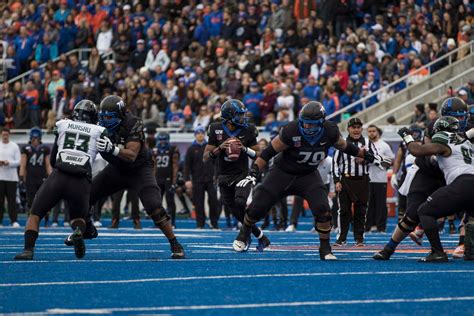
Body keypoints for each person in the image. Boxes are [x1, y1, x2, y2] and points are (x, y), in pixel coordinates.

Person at [232, 102, 391, 259]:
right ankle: (244, 233)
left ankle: (325, 248)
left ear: (321, 123)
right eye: (305, 123)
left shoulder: (330, 131)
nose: (307, 127)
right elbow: (267, 153)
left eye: (311, 124)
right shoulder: (291, 130)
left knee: (323, 209)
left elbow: (347, 147)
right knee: (257, 207)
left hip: (308, 174)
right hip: (282, 173)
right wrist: (254, 172)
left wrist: (371, 158)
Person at [65, 95, 185, 259]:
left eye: (109, 117)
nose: (105, 121)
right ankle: (88, 229)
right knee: (85, 195)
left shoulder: (133, 123)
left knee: (154, 206)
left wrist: (112, 149)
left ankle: (174, 243)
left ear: (120, 115)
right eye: (103, 117)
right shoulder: (98, 126)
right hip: (116, 169)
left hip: (139, 169)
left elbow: (131, 155)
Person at [373, 97, 469, 261]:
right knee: (413, 214)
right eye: (456, 116)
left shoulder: (467, 131)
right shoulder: (436, 128)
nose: (459, 121)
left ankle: (461, 245)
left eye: (462, 117)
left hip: (454, 176)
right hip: (429, 173)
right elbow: (426, 154)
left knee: (466, 209)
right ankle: (389, 248)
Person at [14, 100, 105, 260]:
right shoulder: (99, 130)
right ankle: (77, 232)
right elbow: (106, 155)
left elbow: (55, 156)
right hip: (81, 179)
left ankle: (28, 250)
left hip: (59, 175)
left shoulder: (63, 124)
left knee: (35, 214)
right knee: (78, 218)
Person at [396, 116, 474, 262]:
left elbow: (417, 151)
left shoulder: (445, 137)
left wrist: (407, 137)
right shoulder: (467, 142)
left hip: (462, 182)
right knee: (471, 217)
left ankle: (437, 252)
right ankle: (470, 251)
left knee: (424, 211)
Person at [203, 99, 270, 251]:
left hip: (242, 174)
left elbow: (259, 154)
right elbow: (206, 157)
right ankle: (261, 237)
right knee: (237, 213)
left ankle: (243, 237)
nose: (243, 118)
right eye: (239, 115)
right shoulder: (215, 128)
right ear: (229, 116)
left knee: (240, 202)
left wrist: (245, 149)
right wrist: (220, 148)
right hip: (223, 175)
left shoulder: (248, 129)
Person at [332, 118, 377, 247]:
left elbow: (376, 159)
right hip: (346, 180)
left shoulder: (368, 142)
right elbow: (336, 163)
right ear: (348, 129)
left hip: (363, 180)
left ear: (361, 129)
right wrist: (337, 181)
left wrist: (364, 159)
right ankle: (341, 238)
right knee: (344, 210)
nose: (356, 130)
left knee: (361, 211)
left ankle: (359, 238)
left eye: (358, 127)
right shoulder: (342, 143)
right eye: (353, 127)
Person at [184, 126, 219, 229]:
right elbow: (187, 166)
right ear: (195, 135)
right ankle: (200, 224)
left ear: (204, 134)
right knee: (199, 203)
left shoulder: (210, 147)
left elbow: (216, 163)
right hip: (197, 180)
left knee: (213, 202)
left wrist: (216, 175)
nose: (200, 135)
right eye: (198, 133)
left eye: (202, 133)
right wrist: (187, 180)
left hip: (210, 179)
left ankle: (214, 223)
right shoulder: (191, 149)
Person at [19, 127, 53, 224]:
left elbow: (48, 164)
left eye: (37, 139)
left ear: (40, 138)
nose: (35, 140)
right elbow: (23, 164)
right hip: (30, 178)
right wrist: (21, 177)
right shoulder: (26, 149)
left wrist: (51, 176)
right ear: (31, 138)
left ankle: (46, 219)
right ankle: (31, 219)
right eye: (34, 139)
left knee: (44, 199)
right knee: (31, 201)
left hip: (42, 177)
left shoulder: (45, 148)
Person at [366, 125, 394, 233]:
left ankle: (381, 227)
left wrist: (377, 161)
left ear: (377, 132)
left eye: (373, 131)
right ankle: (368, 226)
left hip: (380, 178)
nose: (371, 133)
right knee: (369, 204)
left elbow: (391, 160)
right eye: (369, 131)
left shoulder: (384, 145)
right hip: (367, 178)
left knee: (380, 204)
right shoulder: (365, 145)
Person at [152, 132, 179, 228]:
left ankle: (172, 222)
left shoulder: (172, 149)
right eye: (161, 140)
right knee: (157, 202)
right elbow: (154, 166)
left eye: (164, 140)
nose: (162, 142)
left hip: (169, 179)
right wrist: (152, 180)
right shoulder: (154, 150)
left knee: (170, 201)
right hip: (158, 179)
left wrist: (174, 181)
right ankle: (159, 222)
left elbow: (175, 166)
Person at [0, 127, 21, 227]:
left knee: (12, 201)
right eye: (3, 134)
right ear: (1, 135)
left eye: (6, 134)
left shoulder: (14, 146)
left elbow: (18, 162)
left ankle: (14, 221)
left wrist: (9, 163)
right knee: (0, 201)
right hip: (0, 177)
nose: (5, 136)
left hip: (12, 178)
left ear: (9, 135)